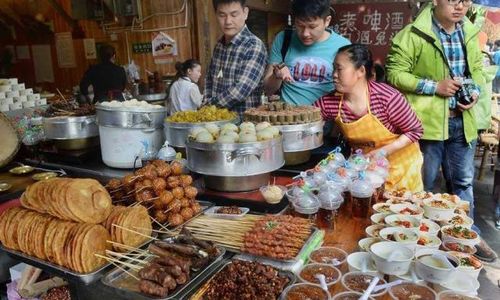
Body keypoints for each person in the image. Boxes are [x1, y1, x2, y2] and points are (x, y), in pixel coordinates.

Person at [386, 1, 497, 261]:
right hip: (428, 124)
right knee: (422, 184)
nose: (460, 6)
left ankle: (465, 238)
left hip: (462, 120)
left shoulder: (469, 31)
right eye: (452, 0)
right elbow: (394, 73)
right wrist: (433, 86)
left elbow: (477, 71)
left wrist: (475, 91)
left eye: (465, 0)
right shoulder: (412, 35)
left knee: (462, 183)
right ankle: (417, 241)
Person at [314, 44, 424, 192]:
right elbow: (309, 120)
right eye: (334, 68)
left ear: (360, 71)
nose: (334, 74)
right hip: (365, 171)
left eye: (339, 69)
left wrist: (383, 152)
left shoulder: (387, 98)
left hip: (400, 168)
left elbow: (415, 130)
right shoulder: (329, 102)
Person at [264, 0, 350, 105]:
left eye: (312, 27)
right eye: (300, 25)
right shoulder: (284, 39)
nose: (305, 33)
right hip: (287, 117)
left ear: (327, 21)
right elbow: (268, 90)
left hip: (326, 117)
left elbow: (349, 91)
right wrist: (276, 76)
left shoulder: (343, 46)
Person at [203, 0, 267, 115]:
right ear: (216, 14)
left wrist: (207, 108)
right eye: (222, 15)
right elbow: (209, 81)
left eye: (234, 14)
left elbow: (240, 90)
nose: (228, 21)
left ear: (245, 13)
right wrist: (206, 108)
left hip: (244, 125)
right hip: (216, 122)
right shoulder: (219, 45)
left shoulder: (253, 45)